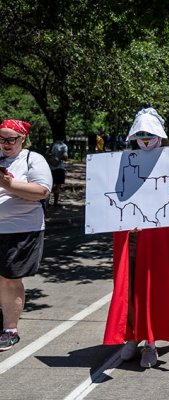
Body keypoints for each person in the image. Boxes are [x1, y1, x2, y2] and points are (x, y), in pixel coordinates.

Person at [103, 108, 169, 368]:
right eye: (141, 133)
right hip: (131, 236)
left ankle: (151, 341)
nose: (146, 138)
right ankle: (132, 336)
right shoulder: (121, 161)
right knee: (129, 288)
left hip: (162, 239)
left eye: (150, 133)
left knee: (155, 287)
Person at [0, 119, 52, 351]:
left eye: (12, 139)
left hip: (20, 230)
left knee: (10, 279)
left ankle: (10, 329)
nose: (6, 143)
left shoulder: (33, 159)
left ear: (23, 139)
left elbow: (41, 191)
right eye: (2, 139)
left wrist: (8, 184)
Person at [46, 139, 68, 207]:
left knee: (49, 186)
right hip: (59, 168)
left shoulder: (52, 145)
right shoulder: (64, 146)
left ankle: (47, 203)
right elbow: (65, 157)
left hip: (50, 168)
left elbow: (47, 154)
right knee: (57, 187)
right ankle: (55, 203)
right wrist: (59, 157)